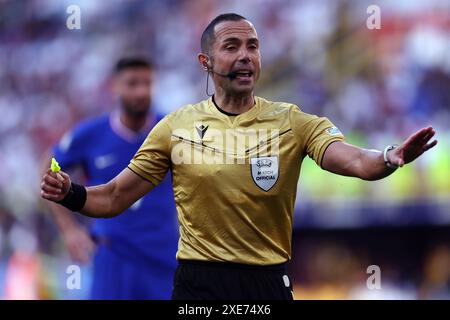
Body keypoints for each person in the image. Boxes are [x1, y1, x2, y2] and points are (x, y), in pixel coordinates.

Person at [40, 14, 438, 300]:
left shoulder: (292, 121)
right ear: (206, 63)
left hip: (266, 282)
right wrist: (71, 194)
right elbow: (113, 197)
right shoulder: (176, 127)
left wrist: (389, 157)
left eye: (253, 46)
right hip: (199, 284)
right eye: (231, 46)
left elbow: (352, 160)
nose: (246, 55)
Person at [43, 57, 178, 299]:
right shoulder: (89, 135)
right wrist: (69, 230)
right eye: (133, 83)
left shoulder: (173, 131)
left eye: (147, 83)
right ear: (114, 86)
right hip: (114, 256)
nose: (141, 91)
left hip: (164, 257)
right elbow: (49, 171)